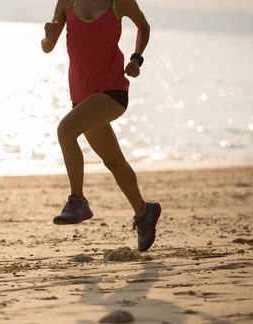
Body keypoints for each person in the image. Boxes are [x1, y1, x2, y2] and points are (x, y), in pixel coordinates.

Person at [41, 0, 160, 252]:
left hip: (113, 91)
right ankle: (145, 212)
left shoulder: (119, 2)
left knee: (65, 131)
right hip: (81, 97)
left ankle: (77, 200)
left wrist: (137, 59)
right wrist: (48, 37)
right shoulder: (67, 3)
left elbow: (144, 26)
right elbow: (48, 47)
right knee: (114, 162)